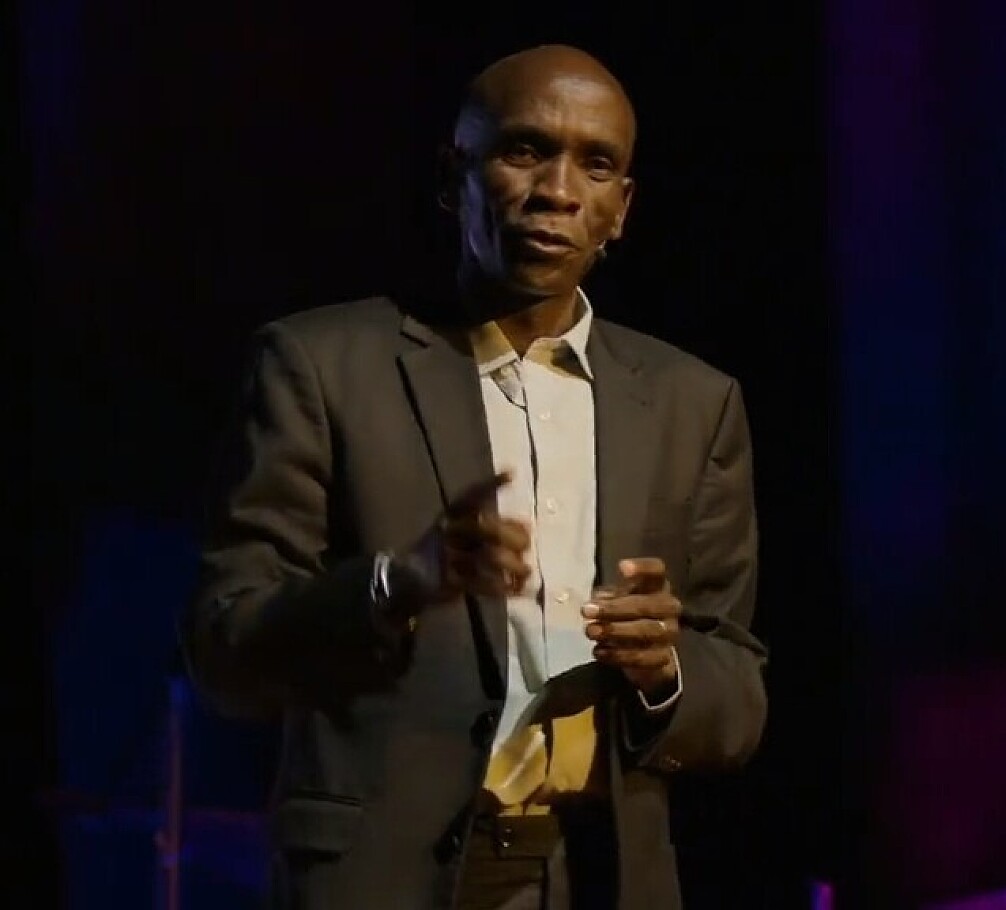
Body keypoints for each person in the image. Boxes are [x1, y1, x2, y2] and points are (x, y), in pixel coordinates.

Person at [181, 43, 767, 910]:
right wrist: (393, 586)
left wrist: (664, 671)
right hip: (385, 880)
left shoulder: (695, 404)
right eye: (525, 150)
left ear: (621, 209)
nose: (557, 190)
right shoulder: (319, 367)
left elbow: (738, 695)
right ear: (454, 176)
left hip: (600, 877)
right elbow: (225, 650)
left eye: (595, 165)